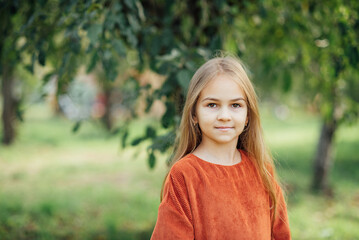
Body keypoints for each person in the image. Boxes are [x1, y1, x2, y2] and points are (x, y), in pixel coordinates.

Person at [151, 55, 291, 240]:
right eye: (212, 105)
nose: (224, 116)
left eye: (235, 105)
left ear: (248, 114)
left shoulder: (262, 170)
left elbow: (281, 235)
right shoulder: (184, 175)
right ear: (194, 114)